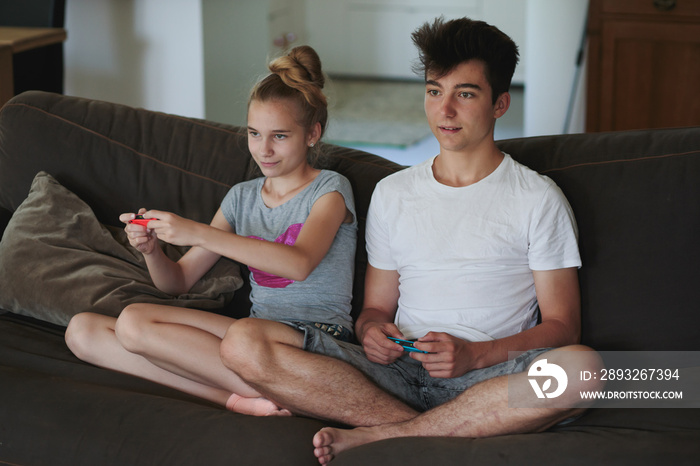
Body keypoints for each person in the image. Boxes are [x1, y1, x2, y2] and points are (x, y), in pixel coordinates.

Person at [219, 17, 603, 463]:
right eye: (434, 91)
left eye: (465, 94)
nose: (445, 110)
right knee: (243, 342)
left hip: (489, 376)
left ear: (499, 104)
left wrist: (475, 356)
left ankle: (386, 435)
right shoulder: (394, 192)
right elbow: (376, 309)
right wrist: (370, 332)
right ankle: (430, 429)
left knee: (584, 369)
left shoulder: (537, 198)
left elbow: (562, 326)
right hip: (396, 373)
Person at [64, 45, 358, 417]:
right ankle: (244, 401)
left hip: (317, 339)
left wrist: (199, 232)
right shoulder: (241, 198)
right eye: (254, 133)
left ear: (312, 134)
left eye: (279, 136)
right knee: (82, 330)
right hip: (253, 337)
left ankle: (289, 391)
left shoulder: (329, 190)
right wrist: (152, 251)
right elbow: (178, 282)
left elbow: (298, 264)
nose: (263, 149)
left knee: (136, 323)